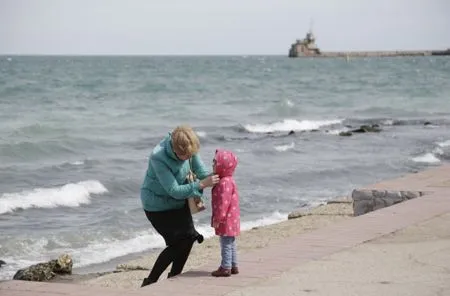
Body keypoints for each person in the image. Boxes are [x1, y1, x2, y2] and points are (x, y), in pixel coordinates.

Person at [140, 125, 220, 287]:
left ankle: (174, 277)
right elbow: (174, 190)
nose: (187, 158)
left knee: (189, 238)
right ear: (175, 149)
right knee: (178, 243)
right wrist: (201, 184)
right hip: (157, 206)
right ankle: (150, 282)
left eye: (189, 155)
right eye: (183, 156)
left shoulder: (190, 146)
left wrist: (219, 176)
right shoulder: (158, 157)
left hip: (180, 201)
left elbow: (201, 172)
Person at [210, 149, 240, 277]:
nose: (212, 165)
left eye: (215, 163)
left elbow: (223, 203)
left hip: (226, 219)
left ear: (222, 166)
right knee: (230, 241)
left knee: (225, 243)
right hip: (232, 218)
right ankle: (233, 265)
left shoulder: (224, 183)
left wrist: (218, 218)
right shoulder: (229, 180)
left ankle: (225, 267)